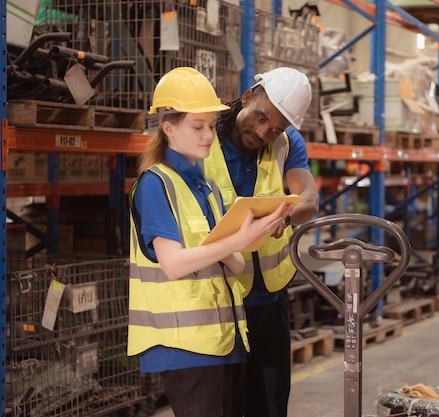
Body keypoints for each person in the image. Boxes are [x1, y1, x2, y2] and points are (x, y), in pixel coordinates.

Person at [127, 67, 293, 417]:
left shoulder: (208, 187)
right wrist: (239, 241)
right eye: (197, 127)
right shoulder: (156, 185)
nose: (208, 135)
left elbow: (234, 263)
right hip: (185, 346)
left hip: (225, 339)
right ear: (169, 128)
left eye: (210, 125)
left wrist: (246, 240)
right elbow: (172, 264)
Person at [204, 67, 319, 417]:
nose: (264, 132)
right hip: (217, 299)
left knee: (268, 404)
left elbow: (310, 200)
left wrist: (285, 215)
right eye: (261, 118)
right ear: (249, 97)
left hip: (267, 298)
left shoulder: (285, 143)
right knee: (221, 404)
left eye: (276, 128)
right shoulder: (203, 137)